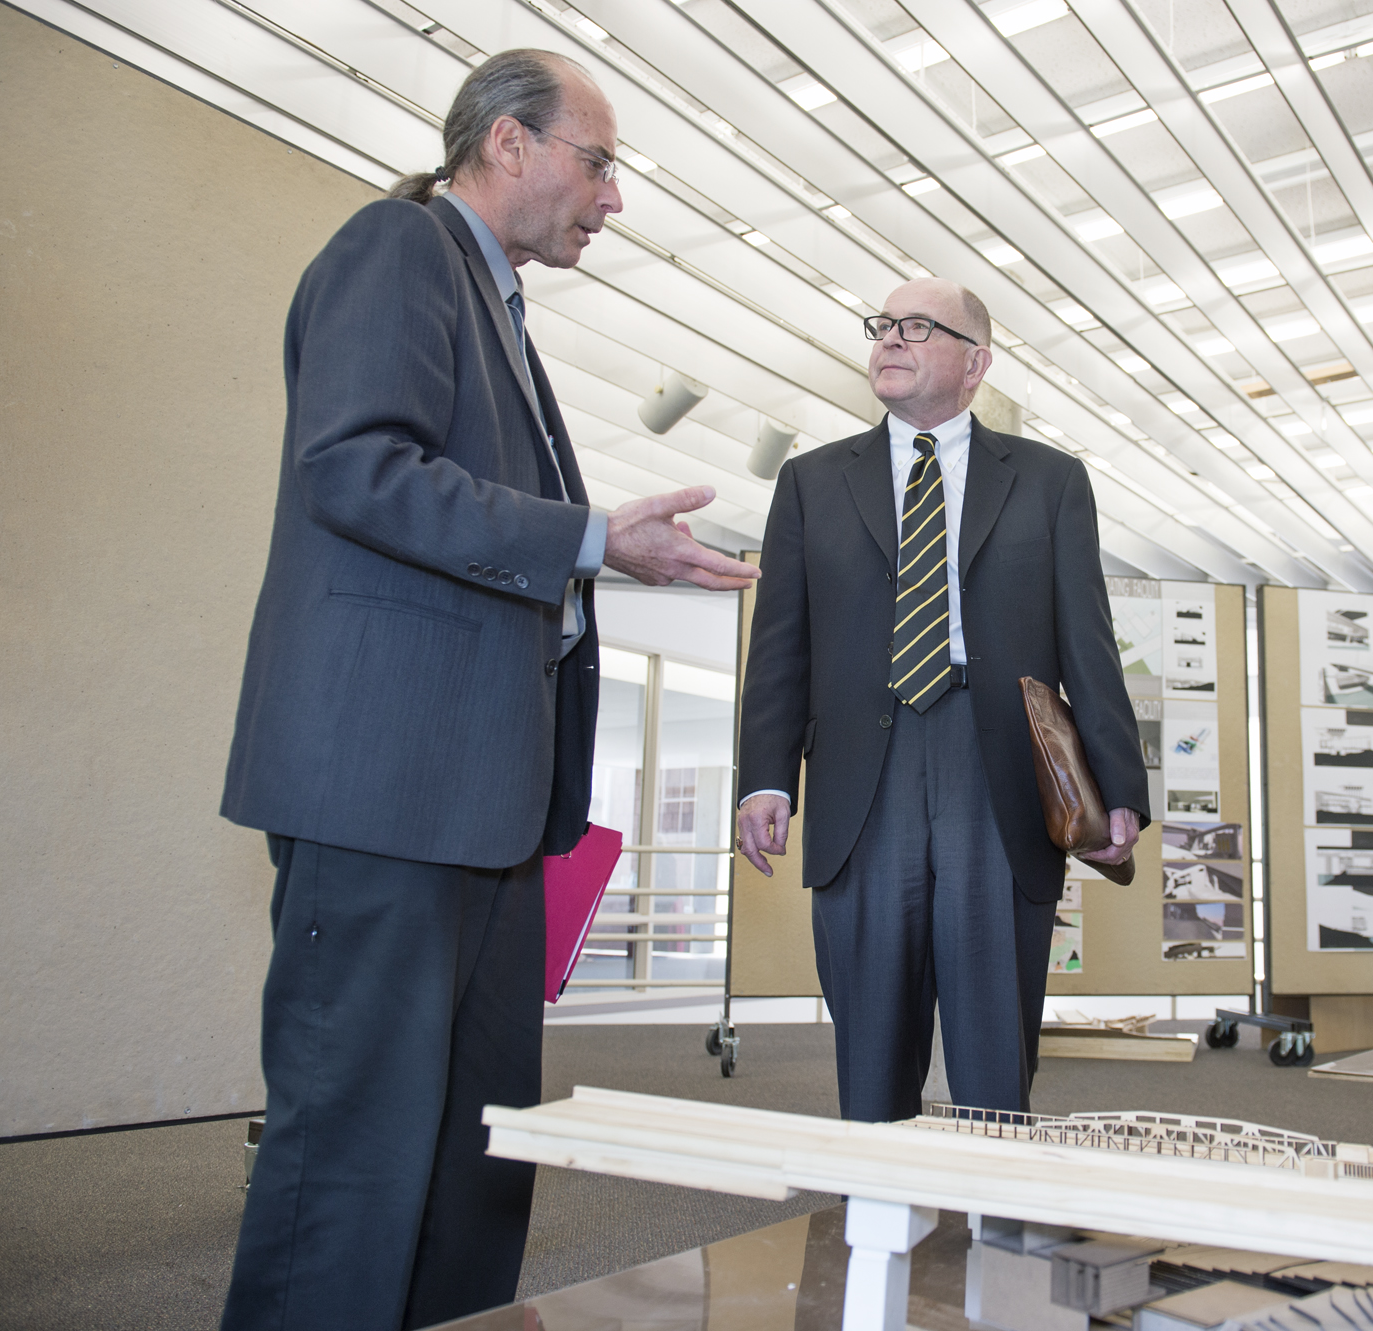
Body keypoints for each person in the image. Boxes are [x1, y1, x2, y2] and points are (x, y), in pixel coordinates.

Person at [217, 49, 758, 1331]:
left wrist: (594, 562)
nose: (613, 200)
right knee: (350, 1159)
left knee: (473, 1164)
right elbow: (353, 467)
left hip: (484, 815)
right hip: (386, 794)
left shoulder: (500, 307)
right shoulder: (398, 249)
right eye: (599, 160)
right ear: (506, 143)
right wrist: (589, 541)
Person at [736, 278, 1148, 1124]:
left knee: (996, 1051)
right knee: (872, 1045)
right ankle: (877, 1224)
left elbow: (1089, 643)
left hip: (994, 769)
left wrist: (1120, 790)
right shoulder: (811, 482)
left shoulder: (1050, 480)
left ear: (976, 361)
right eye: (881, 324)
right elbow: (781, 644)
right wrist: (765, 778)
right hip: (862, 777)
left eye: (917, 326)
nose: (889, 338)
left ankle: (998, 1224)